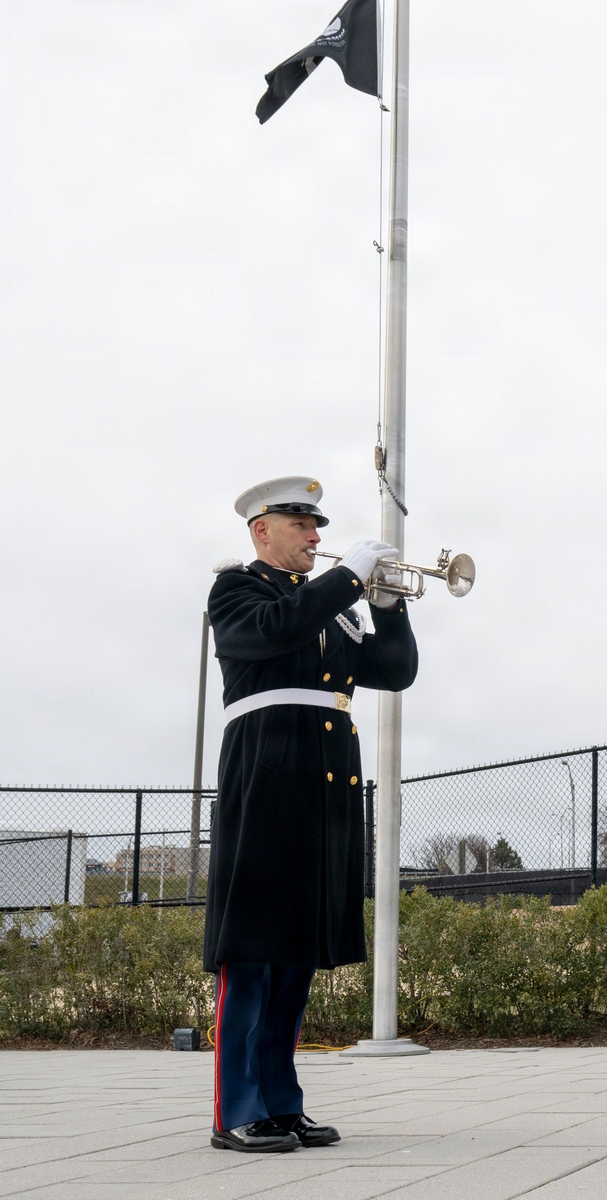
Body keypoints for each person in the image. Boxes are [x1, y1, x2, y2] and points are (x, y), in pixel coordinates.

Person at [203, 475, 418, 1154]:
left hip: (322, 788)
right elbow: (278, 631)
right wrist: (350, 577)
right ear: (262, 530)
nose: (317, 538)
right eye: (303, 525)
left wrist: (385, 604)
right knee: (253, 950)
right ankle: (236, 1109)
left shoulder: (330, 609)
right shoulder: (237, 590)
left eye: (319, 527)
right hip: (265, 777)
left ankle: (280, 1103)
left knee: (295, 953)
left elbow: (393, 669)